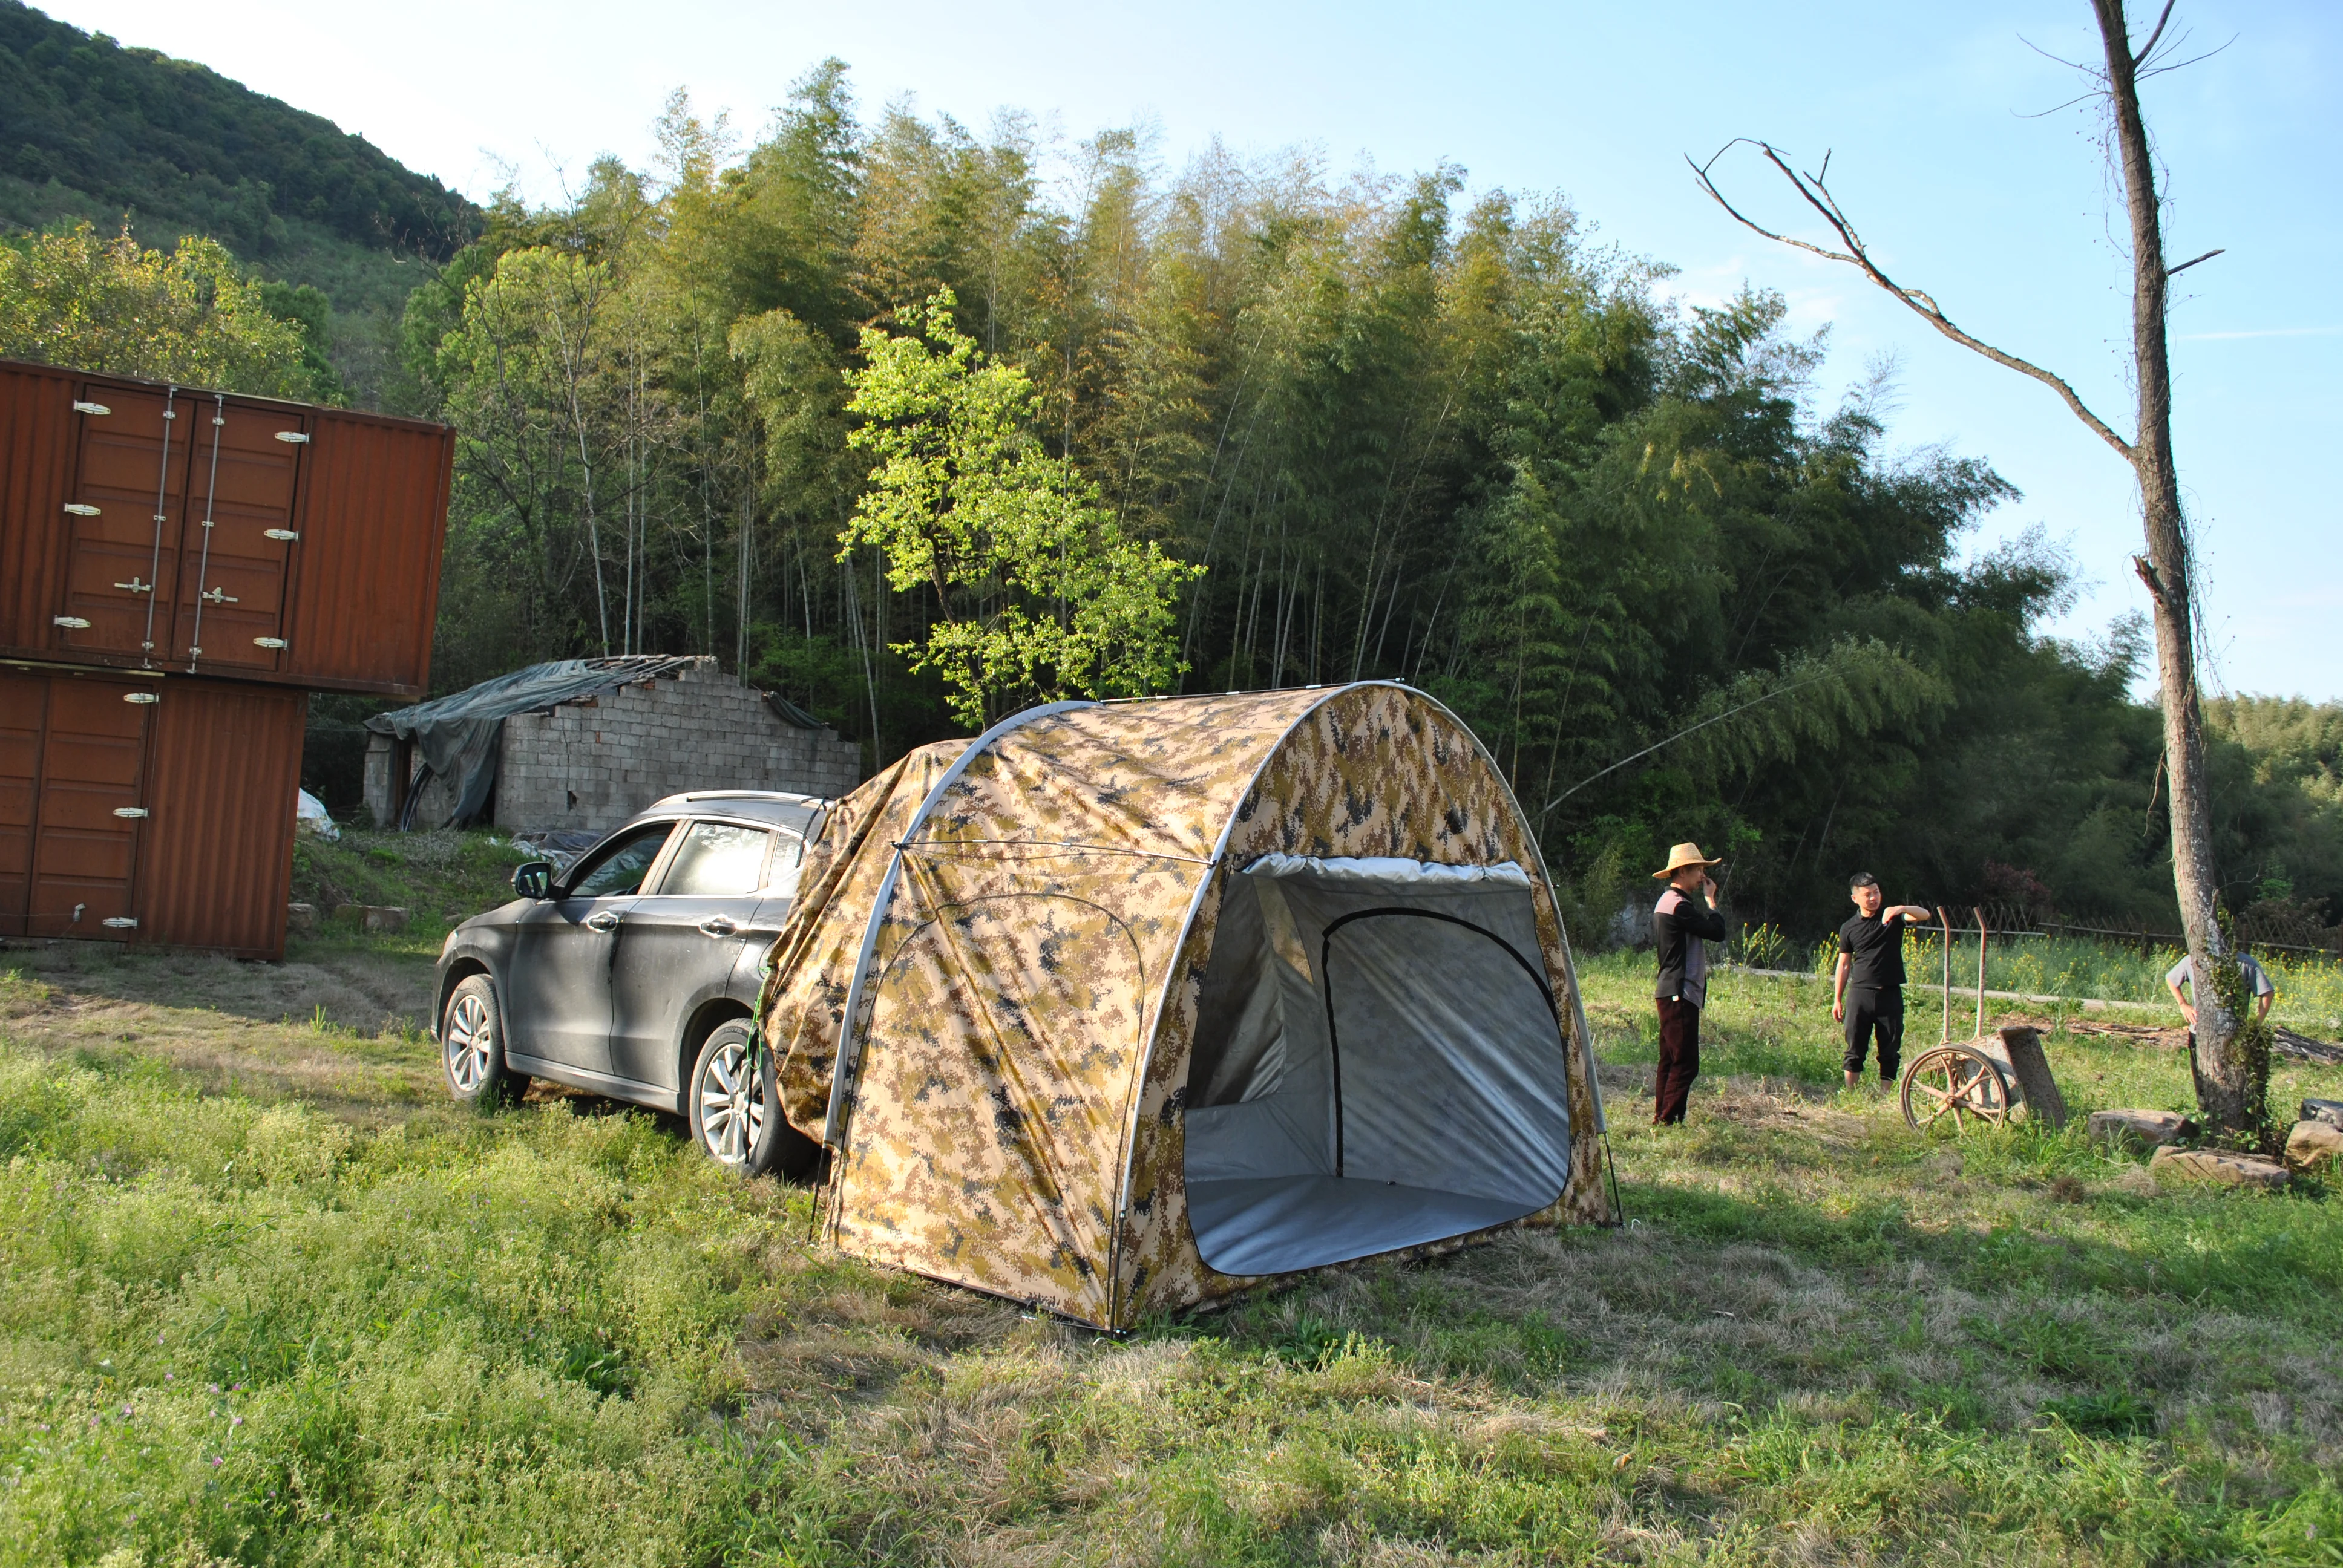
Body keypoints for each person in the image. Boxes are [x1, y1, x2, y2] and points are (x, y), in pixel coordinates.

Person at [1832, 873, 1933, 1089]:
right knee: (1854, 1047)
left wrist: (1901, 909)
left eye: (1876, 892)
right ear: (1855, 899)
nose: (1873, 898)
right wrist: (1837, 1000)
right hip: (1860, 994)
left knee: (1890, 1048)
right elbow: (1844, 965)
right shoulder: (1848, 928)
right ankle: (1852, 1094)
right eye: (1867, 895)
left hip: (1890, 993)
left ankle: (1884, 1095)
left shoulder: (1893, 918)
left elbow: (1925, 915)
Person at [1651, 842, 1726, 1125]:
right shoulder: (1679, 906)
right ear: (1682, 871)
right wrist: (1712, 901)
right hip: (1679, 991)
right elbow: (1716, 932)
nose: (1702, 876)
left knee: (1670, 1060)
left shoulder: (1667, 902)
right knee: (1685, 1063)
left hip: (1669, 989)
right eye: (1698, 870)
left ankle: (1664, 1117)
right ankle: (1667, 1121)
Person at [2164, 949, 2276, 1027]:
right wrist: (2183, 1004)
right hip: (2200, 1030)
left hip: (2235, 1033)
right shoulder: (2193, 960)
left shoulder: (2246, 963)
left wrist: (2256, 1023)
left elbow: (2267, 992)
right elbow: (2171, 979)